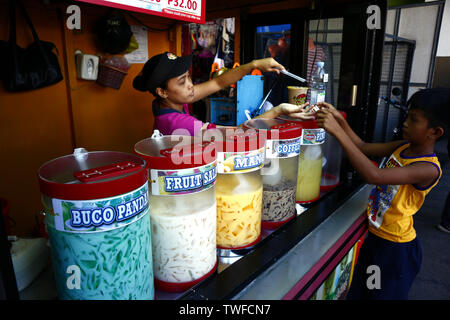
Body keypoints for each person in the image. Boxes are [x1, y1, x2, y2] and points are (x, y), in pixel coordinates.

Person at [314, 88, 449, 300]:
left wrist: (337, 132)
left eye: (413, 120)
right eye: (408, 116)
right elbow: (363, 147)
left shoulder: (429, 169)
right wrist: (340, 120)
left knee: (380, 296)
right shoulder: (404, 146)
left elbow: (374, 175)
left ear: (435, 132)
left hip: (395, 250)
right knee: (362, 291)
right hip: (376, 240)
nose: (405, 122)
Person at [133, 52, 313, 136]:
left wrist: (255, 64)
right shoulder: (177, 123)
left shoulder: (166, 102)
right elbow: (238, 133)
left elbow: (218, 82)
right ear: (162, 91)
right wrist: (278, 110)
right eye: (182, 81)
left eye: (188, 77)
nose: (190, 85)